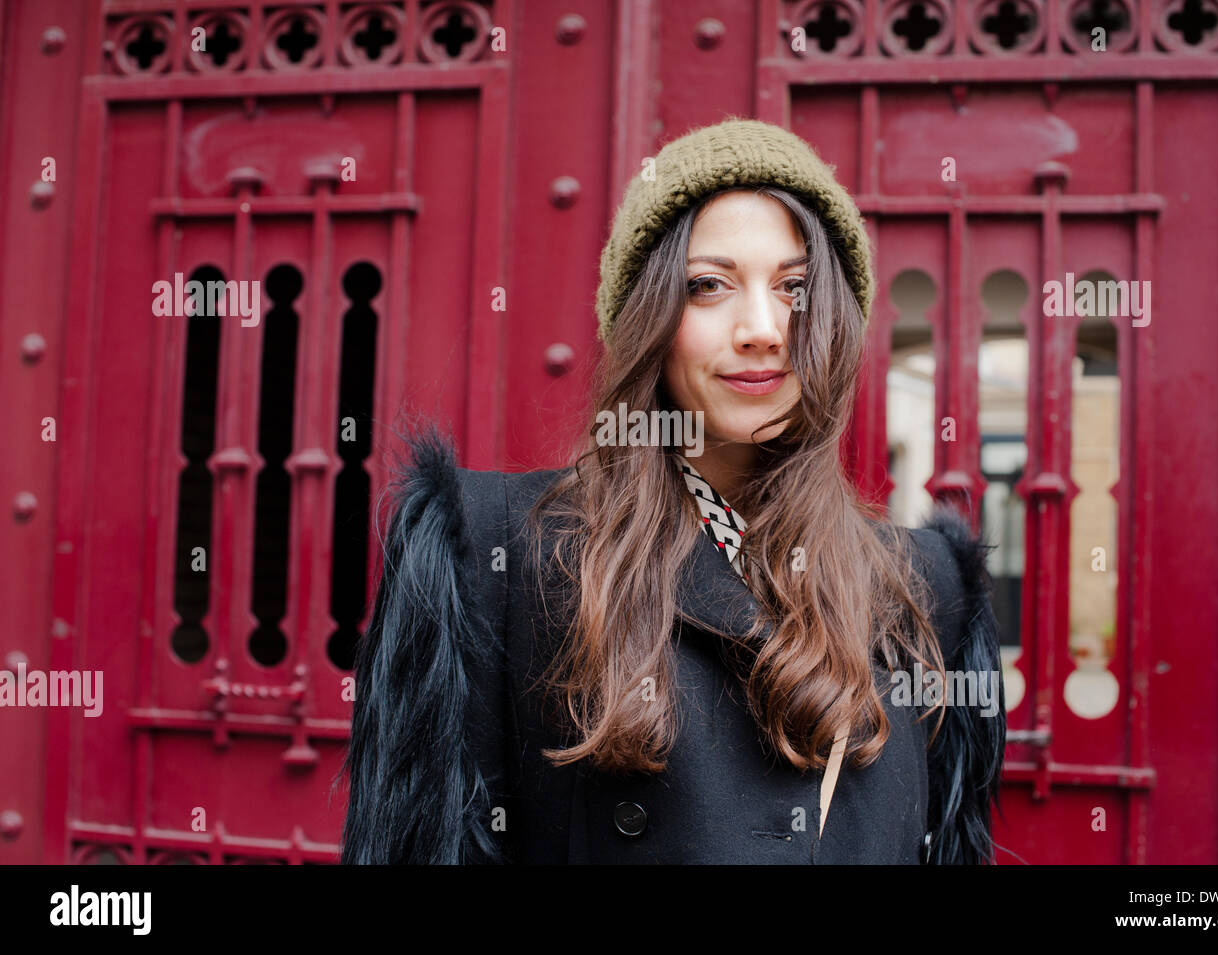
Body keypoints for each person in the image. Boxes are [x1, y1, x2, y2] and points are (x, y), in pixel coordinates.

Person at [341, 117, 1005, 865]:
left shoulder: (925, 585)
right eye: (708, 285)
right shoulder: (498, 552)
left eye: (795, 287)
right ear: (647, 317)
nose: (762, 328)